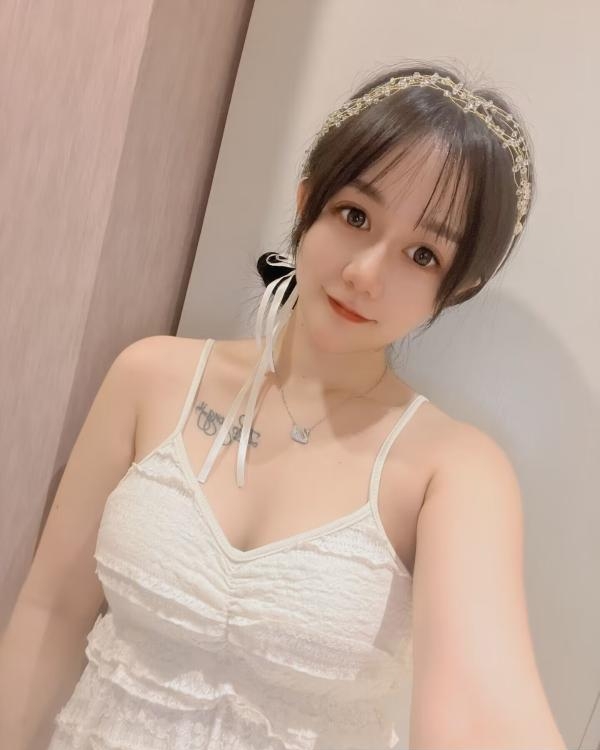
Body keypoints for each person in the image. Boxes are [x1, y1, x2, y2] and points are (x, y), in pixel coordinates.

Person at [0, 63, 566, 749]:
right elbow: (52, 613)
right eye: (355, 216)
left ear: (457, 287)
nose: (364, 274)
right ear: (306, 202)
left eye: (422, 255)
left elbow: (483, 708)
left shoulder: (453, 472)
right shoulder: (150, 377)